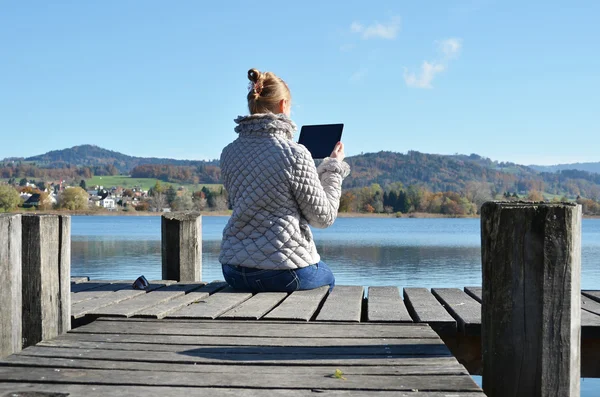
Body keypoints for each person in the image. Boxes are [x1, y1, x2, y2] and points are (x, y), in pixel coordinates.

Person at [219, 68, 351, 293]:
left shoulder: (228, 152)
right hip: (285, 271)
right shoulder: (294, 153)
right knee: (327, 277)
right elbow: (323, 217)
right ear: (282, 105)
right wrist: (333, 168)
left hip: (233, 270)